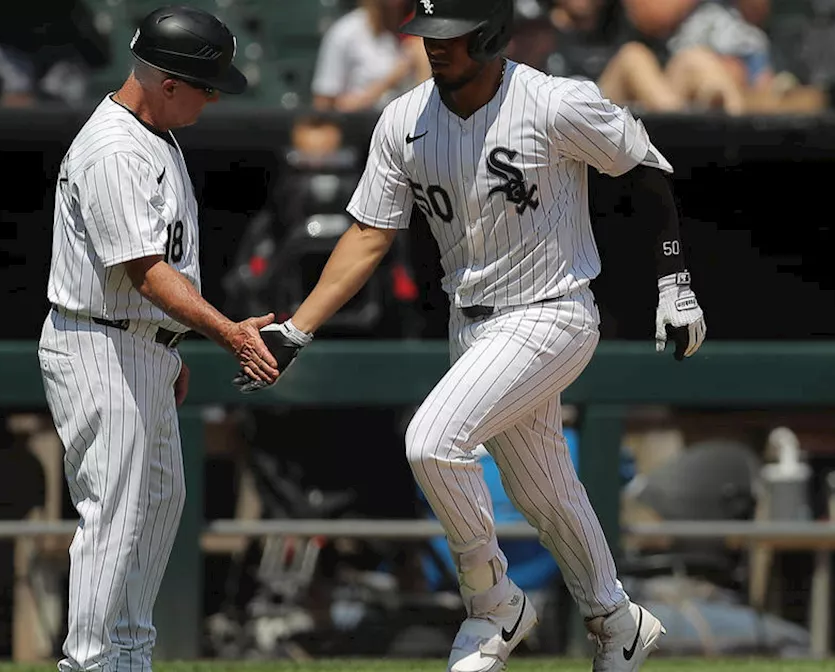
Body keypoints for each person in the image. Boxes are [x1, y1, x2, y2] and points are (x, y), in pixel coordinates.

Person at [232, 0, 707, 671]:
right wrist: (298, 328)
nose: (434, 47)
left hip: (553, 308)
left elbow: (647, 168)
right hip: (472, 322)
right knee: (545, 491)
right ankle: (616, 619)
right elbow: (369, 234)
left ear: (489, 34)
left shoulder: (555, 102)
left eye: (451, 35)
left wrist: (674, 280)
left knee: (431, 443)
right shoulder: (404, 119)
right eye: (428, 34)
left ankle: (494, 605)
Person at [37, 6, 280, 671]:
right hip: (98, 341)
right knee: (114, 510)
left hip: (138, 344)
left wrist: (167, 345)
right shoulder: (114, 147)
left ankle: (128, 657)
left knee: (160, 501)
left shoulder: (155, 134)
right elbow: (145, 274)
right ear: (169, 81)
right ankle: (89, 663)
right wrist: (227, 332)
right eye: (206, 85)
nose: (212, 97)